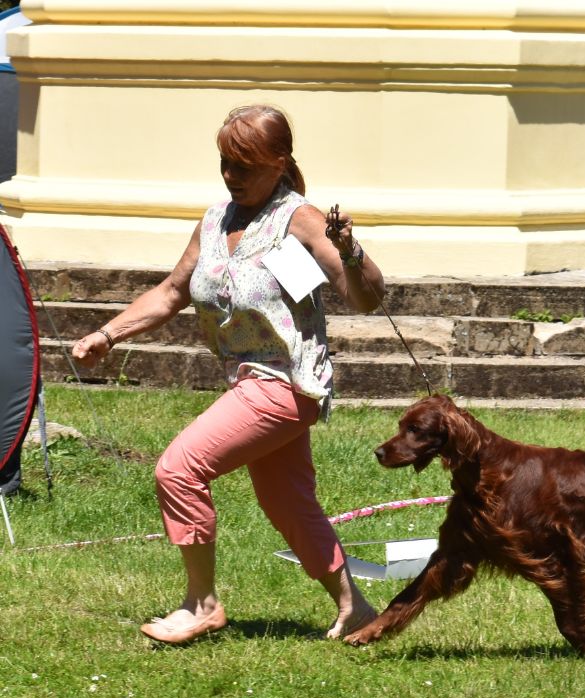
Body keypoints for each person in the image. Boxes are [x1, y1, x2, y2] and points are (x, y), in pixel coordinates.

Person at [72, 105, 382, 644]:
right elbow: (172, 291)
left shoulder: (300, 219)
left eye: (244, 165)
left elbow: (366, 297)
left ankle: (202, 604)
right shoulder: (216, 220)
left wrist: (352, 250)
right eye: (224, 163)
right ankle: (356, 609)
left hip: (285, 383)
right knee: (287, 502)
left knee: (178, 468)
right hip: (246, 379)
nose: (230, 176)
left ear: (279, 162)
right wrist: (108, 334)